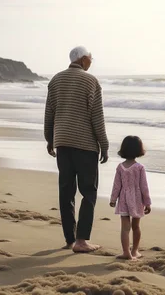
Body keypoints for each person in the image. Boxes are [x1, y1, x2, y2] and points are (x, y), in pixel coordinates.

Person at [44, 46, 109, 253]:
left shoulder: (55, 80)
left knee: (66, 191)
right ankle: (82, 241)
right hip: (85, 145)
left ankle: (70, 239)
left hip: (62, 143)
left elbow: (49, 114)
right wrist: (104, 145)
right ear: (82, 60)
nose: (91, 61)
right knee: (88, 192)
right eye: (91, 58)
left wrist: (50, 140)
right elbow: (96, 117)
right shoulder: (91, 81)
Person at [110, 136, 151, 260]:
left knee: (125, 228)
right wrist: (147, 202)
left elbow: (116, 185)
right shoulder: (139, 167)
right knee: (136, 226)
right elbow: (144, 186)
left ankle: (125, 252)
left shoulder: (120, 167)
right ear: (139, 150)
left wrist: (113, 199)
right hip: (137, 199)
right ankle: (134, 251)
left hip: (123, 198)